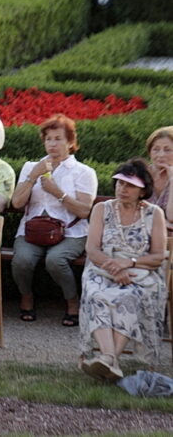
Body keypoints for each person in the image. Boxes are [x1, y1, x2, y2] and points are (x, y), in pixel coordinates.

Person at [79, 159, 168, 381]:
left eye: (130, 185)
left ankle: (108, 359)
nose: (123, 189)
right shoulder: (102, 209)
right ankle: (110, 360)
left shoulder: (154, 213)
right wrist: (114, 268)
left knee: (129, 297)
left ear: (142, 191)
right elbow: (92, 249)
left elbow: (158, 256)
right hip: (102, 269)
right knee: (97, 294)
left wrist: (130, 263)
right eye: (120, 183)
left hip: (141, 272)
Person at [10, 114, 97, 326]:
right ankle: (27, 296)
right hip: (33, 231)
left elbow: (84, 211)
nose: (52, 144)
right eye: (48, 139)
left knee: (55, 260)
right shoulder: (31, 166)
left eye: (58, 139)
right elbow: (17, 203)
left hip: (70, 232)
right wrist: (33, 176)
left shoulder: (83, 172)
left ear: (70, 142)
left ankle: (72, 301)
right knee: (21, 261)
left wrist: (58, 193)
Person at [145, 126, 173, 234]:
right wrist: (163, 223)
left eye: (167, 150)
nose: (161, 155)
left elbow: (172, 217)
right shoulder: (141, 174)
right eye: (156, 149)